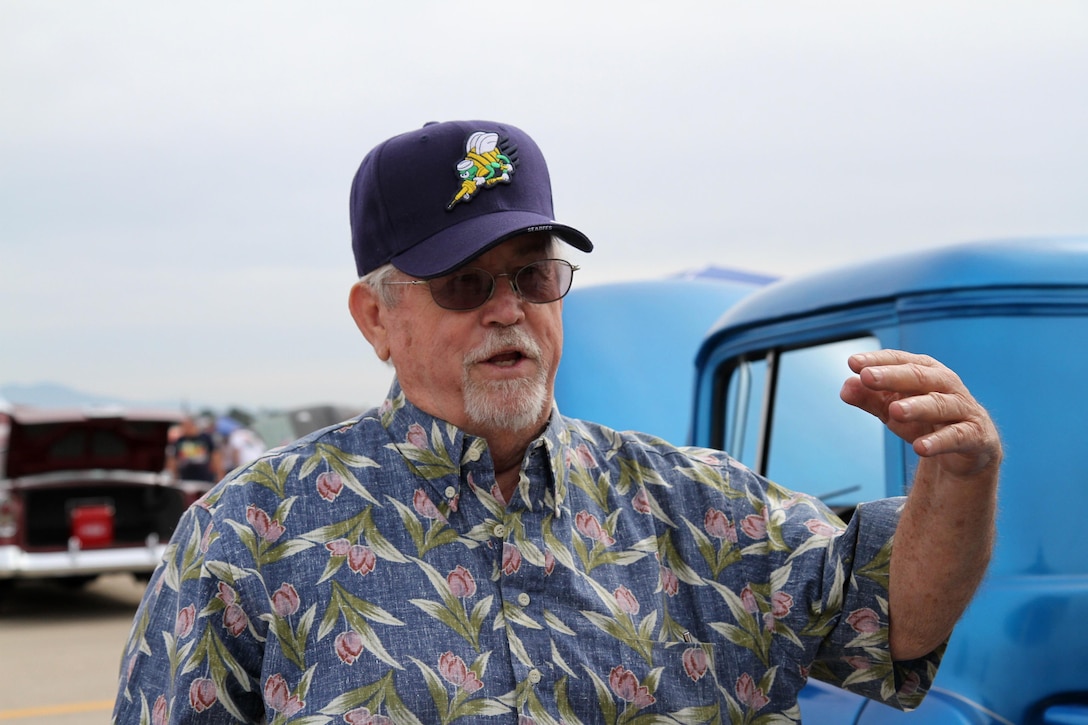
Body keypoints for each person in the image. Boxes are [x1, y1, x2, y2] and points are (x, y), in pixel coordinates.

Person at [113, 120, 1001, 724]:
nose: (507, 309)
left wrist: (959, 478)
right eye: (465, 282)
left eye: (532, 275)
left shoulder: (704, 513)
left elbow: (894, 624)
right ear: (375, 318)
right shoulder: (247, 538)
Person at [164, 414, 223, 483]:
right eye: (183, 426)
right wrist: (173, 475)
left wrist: (219, 474)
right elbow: (173, 459)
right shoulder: (180, 441)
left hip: (204, 478)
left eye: (187, 426)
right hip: (185, 478)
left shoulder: (205, 438)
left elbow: (215, 456)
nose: (185, 429)